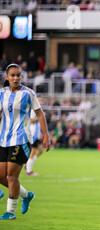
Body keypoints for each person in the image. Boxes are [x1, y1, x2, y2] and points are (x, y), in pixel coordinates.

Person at [0, 64, 50, 220]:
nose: (16, 78)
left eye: (18, 75)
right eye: (13, 75)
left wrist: (45, 134)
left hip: (21, 139)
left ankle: (10, 212)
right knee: (1, 175)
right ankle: (26, 195)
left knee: (11, 176)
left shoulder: (28, 93)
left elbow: (40, 114)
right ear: (7, 77)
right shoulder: (1, 93)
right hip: (3, 139)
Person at [25, 110, 46, 176]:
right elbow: (31, 120)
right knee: (33, 152)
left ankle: (28, 164)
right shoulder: (32, 111)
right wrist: (40, 117)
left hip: (36, 135)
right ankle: (29, 171)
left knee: (40, 151)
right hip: (33, 134)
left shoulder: (37, 110)